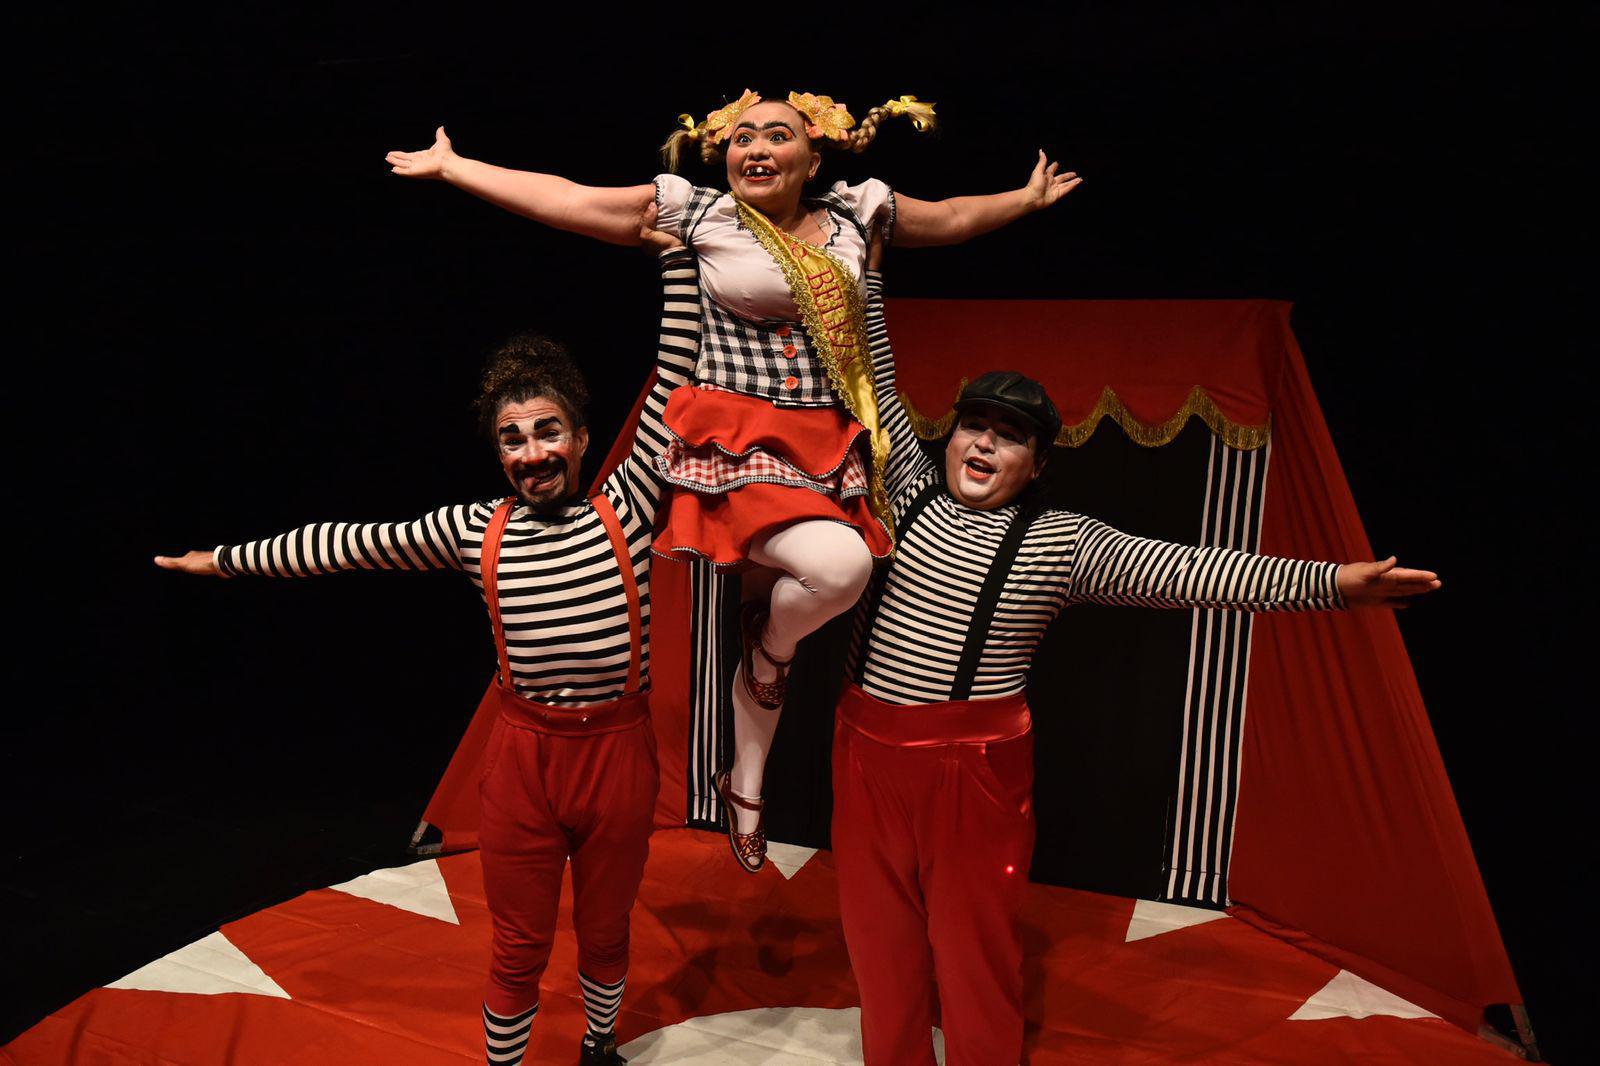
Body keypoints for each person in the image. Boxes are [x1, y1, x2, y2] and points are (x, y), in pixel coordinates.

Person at [385, 89, 1084, 873]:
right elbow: (572, 200)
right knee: (839, 570)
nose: (755, 148)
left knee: (776, 622)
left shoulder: (856, 215)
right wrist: (457, 168)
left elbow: (950, 218)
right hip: (734, 442)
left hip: (824, 443)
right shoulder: (703, 213)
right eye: (742, 136)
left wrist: (1024, 201)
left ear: (812, 159)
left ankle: (746, 784)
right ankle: (767, 655)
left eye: (777, 135)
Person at [834, 238, 1442, 1066]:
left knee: (974, 950)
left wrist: (1334, 583)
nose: (983, 444)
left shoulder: (1062, 542)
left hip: (970, 771)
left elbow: (1197, 571)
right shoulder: (902, 484)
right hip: (866, 752)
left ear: (1037, 464)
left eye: (1009, 437)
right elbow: (870, 369)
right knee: (879, 943)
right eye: (974, 425)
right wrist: (868, 273)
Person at [154, 244, 699, 1066]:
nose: (531, 452)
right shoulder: (474, 529)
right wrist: (224, 561)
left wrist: (680, 255)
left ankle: (598, 1046)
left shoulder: (627, 506)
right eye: (512, 439)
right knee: (517, 944)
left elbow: (674, 376)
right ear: (499, 455)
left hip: (618, 760)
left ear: (583, 437)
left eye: (547, 431)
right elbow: (348, 544)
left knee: (606, 928)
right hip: (525, 766)